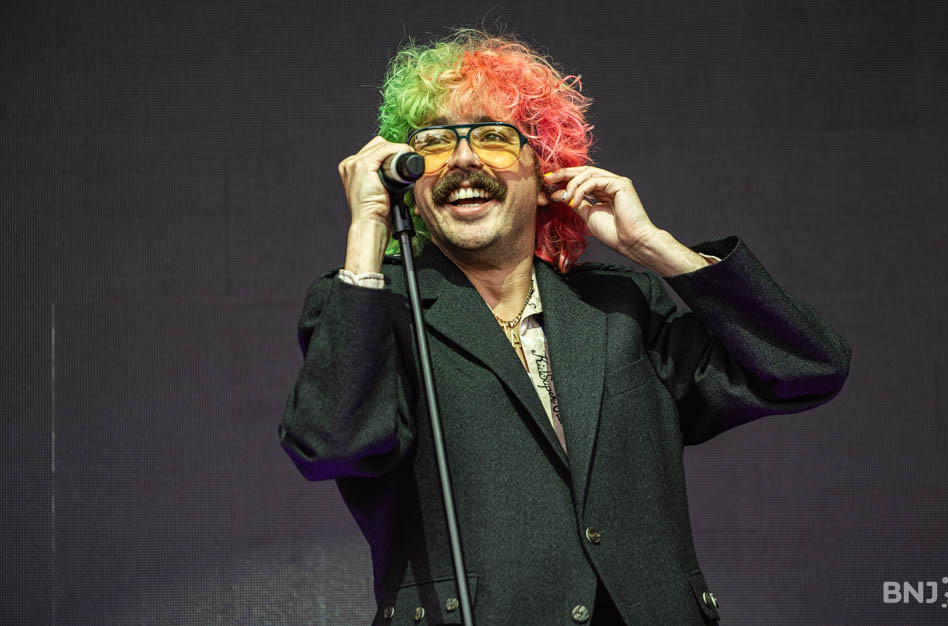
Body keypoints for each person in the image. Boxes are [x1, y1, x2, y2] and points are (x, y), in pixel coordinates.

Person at [280, 30, 850, 625]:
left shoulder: (621, 306)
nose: (465, 160)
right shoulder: (375, 306)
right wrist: (368, 231)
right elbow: (332, 446)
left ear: (545, 172)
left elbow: (807, 366)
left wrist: (656, 249)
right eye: (436, 142)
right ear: (409, 180)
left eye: (495, 138)